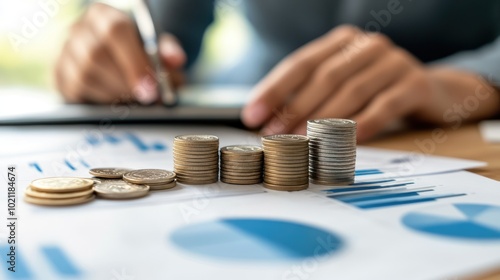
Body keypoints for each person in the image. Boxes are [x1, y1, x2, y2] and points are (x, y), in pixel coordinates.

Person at [55, 0, 500, 142]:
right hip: (255, 102)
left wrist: (475, 81)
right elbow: (167, 31)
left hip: (439, 115)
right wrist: (116, 60)